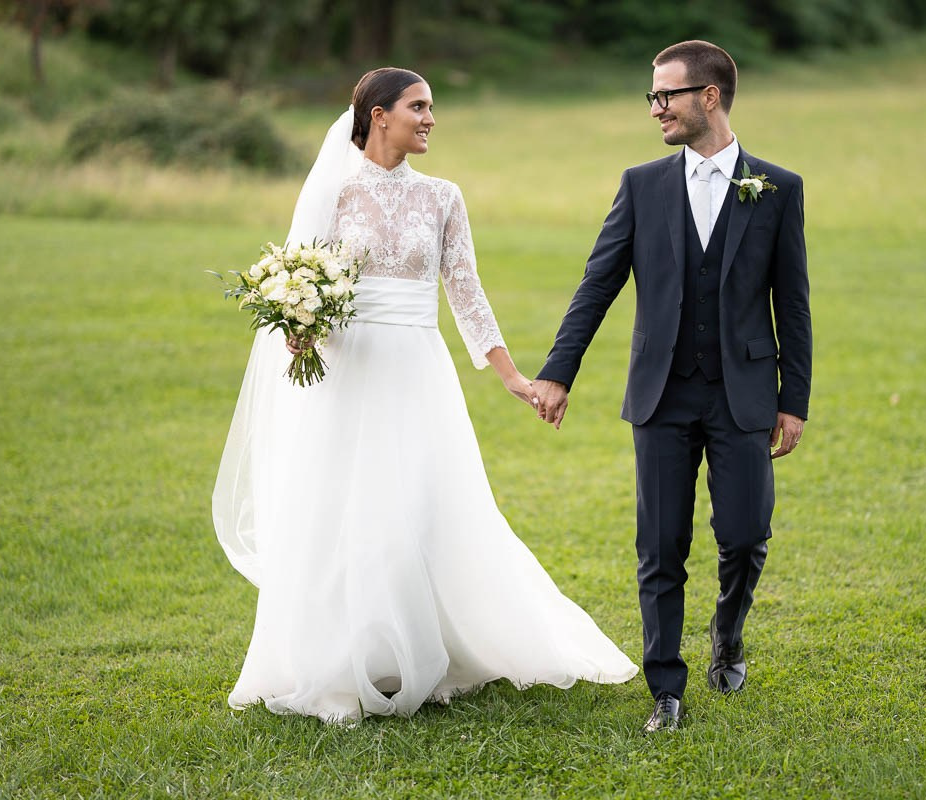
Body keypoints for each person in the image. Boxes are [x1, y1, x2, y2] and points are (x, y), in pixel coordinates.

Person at [212, 67, 636, 724]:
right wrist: (298, 331)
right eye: (419, 106)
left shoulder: (442, 197)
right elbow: (302, 279)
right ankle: (339, 662)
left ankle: (420, 648)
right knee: (345, 509)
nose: (431, 118)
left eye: (432, 107)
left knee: (418, 505)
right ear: (379, 115)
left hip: (418, 371)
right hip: (348, 372)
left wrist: (512, 376)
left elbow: (465, 292)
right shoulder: (336, 192)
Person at [532, 40, 811, 733]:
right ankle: (666, 689)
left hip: (743, 392)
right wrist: (559, 371)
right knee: (660, 544)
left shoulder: (778, 189)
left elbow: (793, 302)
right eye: (652, 96)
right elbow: (598, 282)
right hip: (660, 393)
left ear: (708, 98)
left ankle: (728, 631)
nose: (655, 107)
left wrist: (793, 399)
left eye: (667, 95)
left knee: (746, 536)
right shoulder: (642, 185)